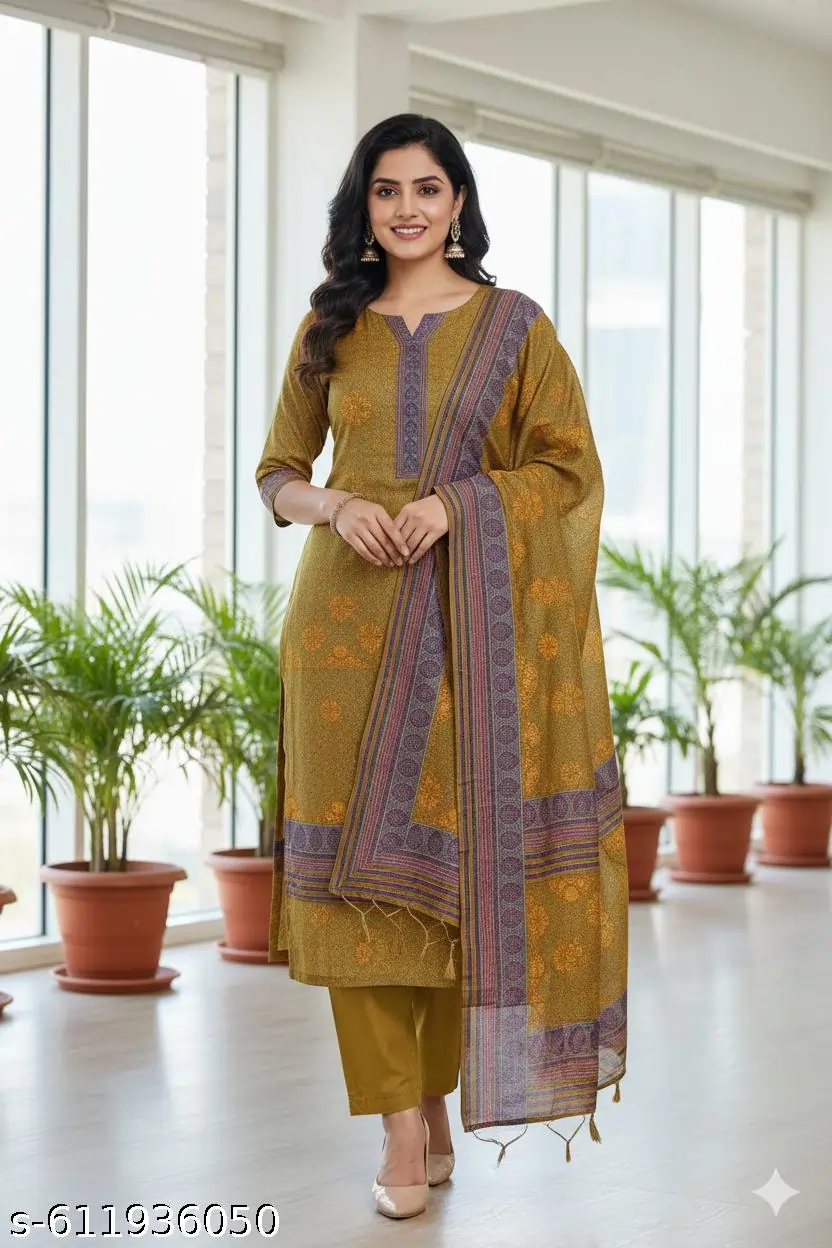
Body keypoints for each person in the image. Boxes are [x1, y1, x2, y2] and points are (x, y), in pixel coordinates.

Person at [256, 114, 628, 1221]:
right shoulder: (330, 325)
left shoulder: (516, 329)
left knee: (449, 885)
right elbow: (277, 469)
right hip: (341, 631)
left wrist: (458, 504)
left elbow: (568, 469)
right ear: (363, 207)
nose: (407, 208)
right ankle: (398, 1126)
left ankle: (429, 1094)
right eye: (386, 190)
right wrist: (334, 505)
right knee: (349, 889)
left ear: (458, 201)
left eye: (427, 188)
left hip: (470, 636)